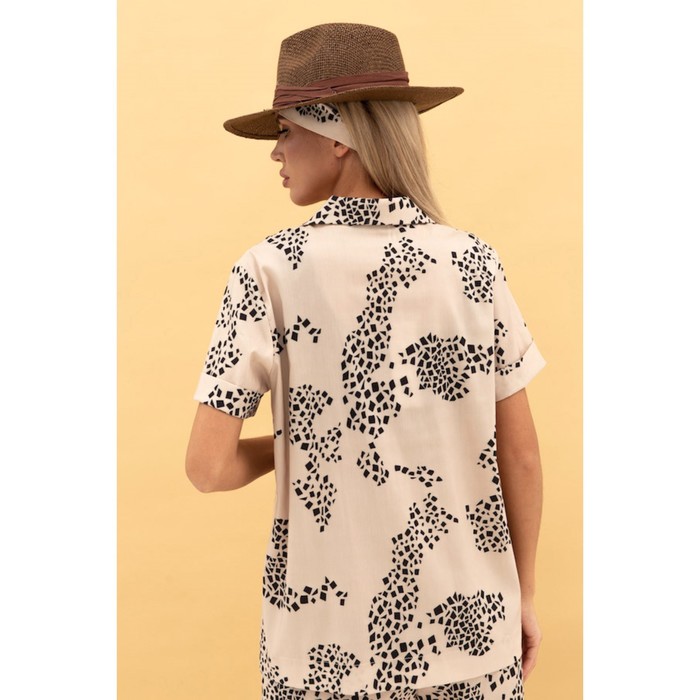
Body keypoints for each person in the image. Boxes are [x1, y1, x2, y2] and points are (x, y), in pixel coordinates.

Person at [185, 22, 545, 700]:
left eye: (285, 131)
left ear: (337, 136)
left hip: (320, 658)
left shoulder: (267, 271)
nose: (276, 152)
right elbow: (519, 457)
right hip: (473, 644)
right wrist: (522, 597)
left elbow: (207, 469)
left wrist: (304, 441)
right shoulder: (473, 262)